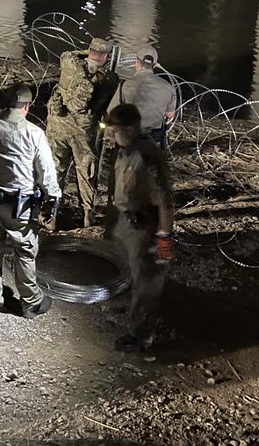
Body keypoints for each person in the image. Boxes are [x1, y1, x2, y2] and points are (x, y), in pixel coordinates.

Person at [0, 85, 61, 319]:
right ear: (27, 107)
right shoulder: (34, 133)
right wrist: (53, 198)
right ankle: (31, 302)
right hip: (20, 207)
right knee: (25, 252)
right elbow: (46, 172)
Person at [102, 103, 176, 351]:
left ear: (132, 128)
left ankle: (140, 336)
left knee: (147, 281)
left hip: (143, 226)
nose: (111, 135)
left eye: (115, 130)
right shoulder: (123, 150)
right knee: (123, 268)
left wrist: (164, 238)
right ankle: (126, 306)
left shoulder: (147, 156)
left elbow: (165, 200)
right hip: (124, 220)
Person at [45, 36, 113, 229]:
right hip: (84, 133)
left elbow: (71, 53)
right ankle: (87, 216)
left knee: (56, 170)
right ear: (106, 56)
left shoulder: (68, 62)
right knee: (86, 173)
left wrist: (87, 54)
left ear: (89, 50)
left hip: (57, 127)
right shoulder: (108, 80)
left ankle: (50, 218)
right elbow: (105, 109)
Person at [107, 46, 177, 149]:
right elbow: (170, 115)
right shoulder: (168, 87)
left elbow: (111, 111)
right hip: (154, 139)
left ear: (137, 62)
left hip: (129, 137)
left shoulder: (125, 85)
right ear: (154, 65)